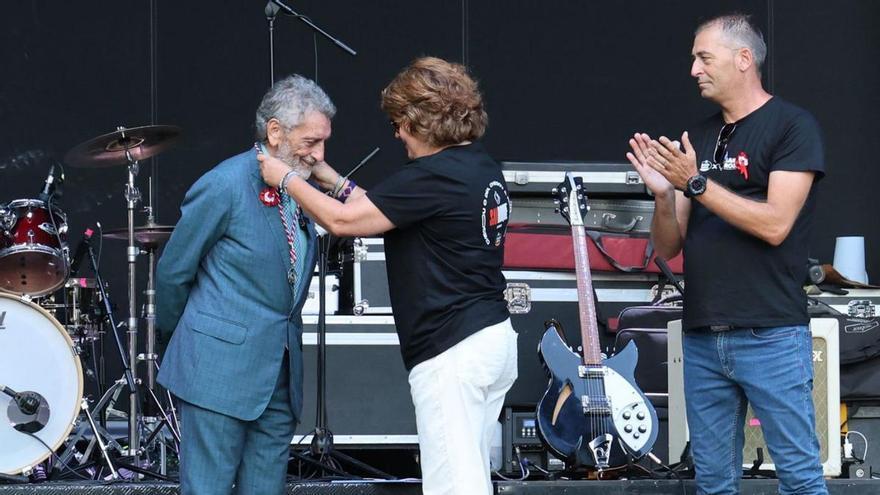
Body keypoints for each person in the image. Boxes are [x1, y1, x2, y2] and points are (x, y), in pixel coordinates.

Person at [259, 56, 517, 495]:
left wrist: (285, 177)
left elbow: (342, 222)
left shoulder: (431, 175)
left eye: (399, 121)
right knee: (471, 474)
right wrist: (329, 178)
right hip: (490, 339)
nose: (396, 133)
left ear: (421, 119)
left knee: (454, 486)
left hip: (452, 352)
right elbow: (384, 210)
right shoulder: (476, 165)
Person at [626, 14, 827, 495]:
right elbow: (668, 246)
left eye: (703, 57)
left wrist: (695, 184)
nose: (694, 69)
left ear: (743, 59)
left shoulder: (792, 127)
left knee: (799, 479)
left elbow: (776, 224)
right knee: (714, 484)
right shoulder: (699, 135)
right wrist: (661, 195)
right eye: (694, 58)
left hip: (771, 333)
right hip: (702, 336)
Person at [156, 74, 337, 495]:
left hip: (279, 375)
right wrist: (191, 342)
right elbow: (173, 272)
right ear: (275, 132)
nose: (320, 154)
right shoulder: (225, 183)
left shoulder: (299, 186)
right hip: (217, 373)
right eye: (311, 142)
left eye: (324, 141)